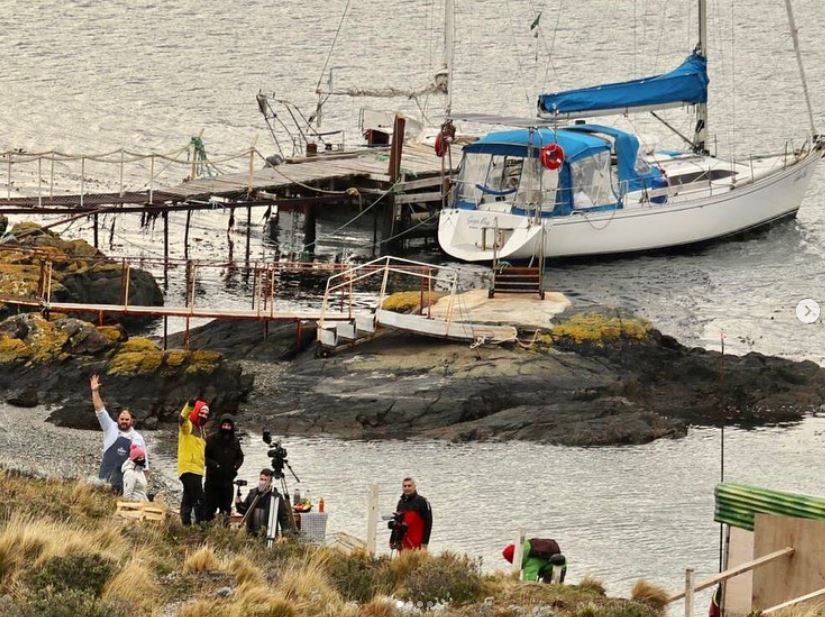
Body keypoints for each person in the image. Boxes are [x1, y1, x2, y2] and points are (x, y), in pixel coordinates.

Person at [90, 374, 148, 494]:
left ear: (132, 421)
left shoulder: (137, 438)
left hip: (125, 482)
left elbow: (144, 465)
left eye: (127, 419)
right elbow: (100, 410)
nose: (124, 421)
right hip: (105, 476)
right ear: (118, 419)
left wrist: (143, 487)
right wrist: (95, 391)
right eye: (122, 419)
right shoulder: (110, 428)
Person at [202, 414, 244, 523]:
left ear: (232, 427)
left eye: (228, 426)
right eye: (224, 425)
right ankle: (207, 532)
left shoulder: (235, 441)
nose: (226, 428)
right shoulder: (211, 439)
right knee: (209, 510)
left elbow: (240, 457)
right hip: (212, 482)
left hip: (228, 482)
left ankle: (224, 533)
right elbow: (204, 457)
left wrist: (235, 466)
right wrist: (215, 465)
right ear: (220, 425)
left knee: (226, 511)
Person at [178, 398, 210, 526]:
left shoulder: (202, 432)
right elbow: (182, 420)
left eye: (206, 414)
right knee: (199, 499)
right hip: (188, 468)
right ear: (196, 411)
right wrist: (189, 406)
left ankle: (185, 525)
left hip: (198, 470)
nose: (204, 415)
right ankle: (200, 525)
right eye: (202, 412)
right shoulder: (189, 426)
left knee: (188, 498)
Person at [235, 469, 294, 537]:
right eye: (261, 479)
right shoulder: (252, 494)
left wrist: (286, 534)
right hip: (252, 534)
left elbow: (284, 517)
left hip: (268, 534)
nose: (262, 482)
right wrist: (238, 504)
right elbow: (245, 511)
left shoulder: (276, 497)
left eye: (265, 480)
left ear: (270, 482)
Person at [502, 538, 567, 583]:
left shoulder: (530, 562)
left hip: (556, 567)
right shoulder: (527, 547)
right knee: (548, 586)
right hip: (556, 563)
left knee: (550, 588)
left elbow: (529, 581)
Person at [394, 477, 432, 551]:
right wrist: (394, 540)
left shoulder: (422, 501)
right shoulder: (400, 503)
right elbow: (397, 523)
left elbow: (428, 523)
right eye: (404, 486)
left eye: (409, 486)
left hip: (418, 543)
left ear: (414, 487)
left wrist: (425, 543)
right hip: (403, 543)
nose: (407, 488)